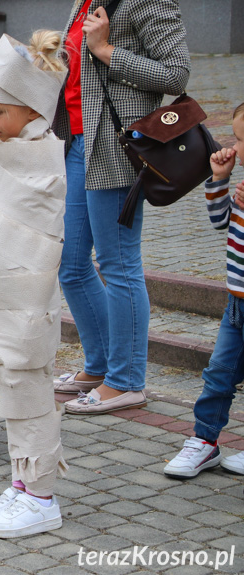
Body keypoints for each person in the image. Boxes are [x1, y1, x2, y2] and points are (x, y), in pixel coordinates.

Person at [52, 0, 190, 414]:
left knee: (118, 263)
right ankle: (98, 366)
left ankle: (127, 380)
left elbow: (175, 72)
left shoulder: (147, 1)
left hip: (117, 146)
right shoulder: (85, 0)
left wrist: (108, 51)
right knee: (72, 264)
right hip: (78, 143)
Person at [0, 32, 68, 539]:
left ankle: (42, 496)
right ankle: (22, 482)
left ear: (31, 111)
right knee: (12, 386)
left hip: (26, 301)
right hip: (3, 294)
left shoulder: (40, 156)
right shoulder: (14, 146)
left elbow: (34, 238)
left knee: (30, 384)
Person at [163, 104, 244, 480]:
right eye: (237, 137)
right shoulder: (240, 186)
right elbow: (218, 222)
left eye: (242, 140)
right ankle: (205, 442)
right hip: (236, 303)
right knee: (219, 374)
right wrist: (219, 180)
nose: (236, 146)